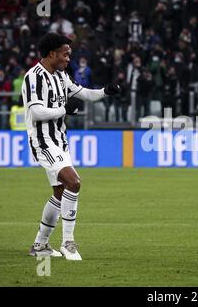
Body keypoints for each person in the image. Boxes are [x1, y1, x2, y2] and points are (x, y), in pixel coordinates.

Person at [23, 33, 121, 260]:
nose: (69, 59)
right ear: (52, 53)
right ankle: (68, 242)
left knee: (59, 192)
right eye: (65, 54)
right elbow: (36, 112)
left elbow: (84, 93)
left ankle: (40, 245)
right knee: (73, 182)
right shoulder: (33, 77)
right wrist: (64, 110)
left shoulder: (61, 76)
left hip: (60, 141)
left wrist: (105, 92)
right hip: (42, 141)